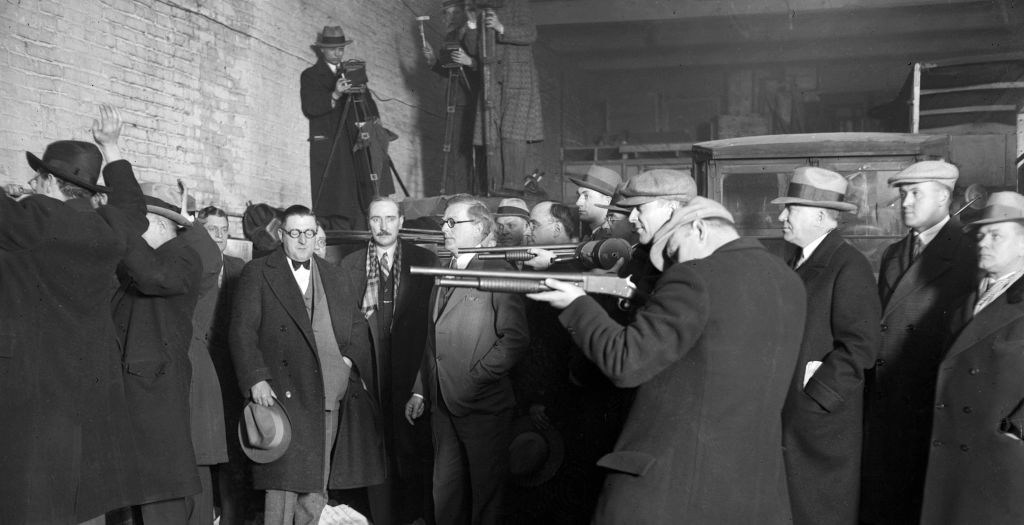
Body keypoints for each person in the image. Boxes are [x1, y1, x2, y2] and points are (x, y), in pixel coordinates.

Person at [527, 197, 805, 524]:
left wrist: (576, 304)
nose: (675, 261)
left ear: (698, 228)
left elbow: (625, 362)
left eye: (674, 249)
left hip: (678, 489)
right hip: (755, 488)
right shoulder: (788, 281)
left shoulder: (696, 277)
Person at [0, 105, 147, 524]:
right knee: (80, 501)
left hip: (33, 388)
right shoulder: (111, 226)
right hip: (90, 388)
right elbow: (135, 209)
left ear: (51, 181)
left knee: (28, 500)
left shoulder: (35, 219)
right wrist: (113, 146)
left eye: (36, 178)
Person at [230, 205, 387, 525]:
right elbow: (241, 332)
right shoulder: (258, 272)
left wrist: (344, 365)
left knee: (316, 479)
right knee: (281, 482)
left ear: (317, 235)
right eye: (295, 233)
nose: (303, 240)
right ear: (281, 235)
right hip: (279, 392)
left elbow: (357, 327)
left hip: (325, 392)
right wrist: (256, 378)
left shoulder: (334, 275)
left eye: (309, 233)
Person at [860, 160, 977, 525]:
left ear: (943, 197)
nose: (905, 202)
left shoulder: (969, 251)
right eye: (902, 194)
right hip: (887, 395)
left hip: (928, 401)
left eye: (915, 193)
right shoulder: (895, 252)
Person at [405, 195, 529, 525]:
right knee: (444, 493)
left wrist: (475, 379)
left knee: (486, 498)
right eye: (443, 223)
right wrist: (420, 389)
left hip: (482, 406)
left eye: (451, 223)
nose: (444, 229)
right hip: (441, 405)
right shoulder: (444, 268)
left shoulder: (499, 271)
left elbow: (514, 339)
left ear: (477, 228)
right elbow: (434, 337)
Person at [772, 167, 881, 525]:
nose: (781, 216)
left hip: (819, 427)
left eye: (791, 209)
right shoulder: (800, 259)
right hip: (798, 421)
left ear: (820, 216)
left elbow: (860, 347)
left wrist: (814, 401)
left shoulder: (849, 265)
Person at [107, 183, 218, 524]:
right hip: (136, 403)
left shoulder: (182, 259)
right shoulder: (140, 268)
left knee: (160, 501)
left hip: (157, 402)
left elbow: (152, 275)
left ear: (156, 222)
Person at [919, 191, 1024, 525]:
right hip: (954, 445)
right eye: (981, 235)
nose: (984, 242)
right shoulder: (968, 299)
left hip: (1001, 456)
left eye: (996, 235)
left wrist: (1016, 430)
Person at [340, 197, 440, 525]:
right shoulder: (350, 265)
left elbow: (432, 328)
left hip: (411, 375)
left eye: (389, 219)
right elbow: (344, 326)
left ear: (401, 222)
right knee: (374, 454)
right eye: (375, 220)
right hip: (368, 375)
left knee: (411, 454)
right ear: (368, 223)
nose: (382, 227)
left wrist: (421, 388)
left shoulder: (425, 261)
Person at [197, 205, 251, 525]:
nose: (218, 237)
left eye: (222, 230)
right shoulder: (191, 266)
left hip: (230, 376)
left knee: (232, 453)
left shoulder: (239, 267)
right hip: (201, 373)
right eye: (211, 230)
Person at [301, 25, 380, 229]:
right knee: (334, 201)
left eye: (341, 49)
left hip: (354, 146)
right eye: (333, 49)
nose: (338, 53)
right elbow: (310, 108)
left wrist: (369, 125)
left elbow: (370, 106)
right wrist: (335, 94)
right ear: (322, 50)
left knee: (359, 199)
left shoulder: (352, 73)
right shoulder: (310, 75)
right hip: (331, 149)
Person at [466, 0, 543, 193]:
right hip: (491, 81)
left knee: (513, 131)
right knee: (491, 133)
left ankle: (513, 187)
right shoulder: (483, 11)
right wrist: (472, 23)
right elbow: (474, 49)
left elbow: (530, 33)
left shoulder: (519, 4)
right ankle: (494, 186)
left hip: (518, 80)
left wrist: (501, 27)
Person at [422, 0, 481, 194]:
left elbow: (489, 65)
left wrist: (470, 61)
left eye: (455, 13)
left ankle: (467, 194)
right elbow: (451, 69)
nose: (451, 17)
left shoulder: (475, 32)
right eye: (447, 13)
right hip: (454, 102)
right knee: (453, 152)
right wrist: (434, 62)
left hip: (473, 102)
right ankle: (455, 194)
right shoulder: (450, 35)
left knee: (467, 153)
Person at [569, 164, 621, 241]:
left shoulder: (611, 239)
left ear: (607, 201)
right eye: (579, 196)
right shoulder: (595, 234)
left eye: (586, 196)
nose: (578, 203)